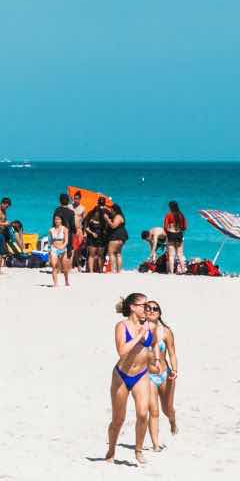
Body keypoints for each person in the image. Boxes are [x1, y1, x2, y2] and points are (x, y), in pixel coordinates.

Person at [106, 293, 158, 465]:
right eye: (144, 306)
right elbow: (122, 351)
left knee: (143, 414)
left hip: (141, 375)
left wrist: (155, 361)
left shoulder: (150, 326)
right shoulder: (121, 326)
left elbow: (153, 346)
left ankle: (138, 450)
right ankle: (111, 450)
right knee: (118, 419)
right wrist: (139, 335)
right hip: (121, 375)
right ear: (133, 308)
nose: (147, 309)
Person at [144, 300, 178, 449]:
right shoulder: (139, 331)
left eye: (155, 309)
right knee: (154, 411)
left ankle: (173, 421)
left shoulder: (166, 332)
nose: (151, 311)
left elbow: (172, 353)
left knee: (167, 409)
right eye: (148, 308)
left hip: (165, 374)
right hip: (148, 376)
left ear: (159, 312)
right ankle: (155, 444)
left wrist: (175, 370)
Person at [52, 193, 77, 276]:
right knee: (69, 252)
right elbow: (73, 225)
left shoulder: (57, 210)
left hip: (58, 233)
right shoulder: (71, 212)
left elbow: (54, 222)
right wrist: (75, 232)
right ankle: (66, 270)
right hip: (68, 233)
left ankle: (58, 269)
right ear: (68, 201)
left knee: (57, 251)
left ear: (60, 201)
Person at [82, 199, 107, 274]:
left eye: (102, 205)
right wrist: (92, 233)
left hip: (100, 236)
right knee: (94, 255)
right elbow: (85, 225)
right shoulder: (92, 212)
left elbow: (110, 224)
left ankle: (98, 271)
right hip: (94, 235)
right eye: (100, 205)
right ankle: (93, 271)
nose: (101, 207)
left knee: (98, 255)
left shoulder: (105, 212)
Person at [104, 198, 128, 274]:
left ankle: (113, 270)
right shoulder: (120, 216)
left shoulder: (118, 216)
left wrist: (107, 219)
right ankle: (119, 271)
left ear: (115, 210)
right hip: (121, 236)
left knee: (111, 253)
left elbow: (113, 226)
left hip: (116, 236)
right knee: (118, 254)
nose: (110, 211)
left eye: (111, 210)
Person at [164, 201, 187, 274]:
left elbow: (165, 226)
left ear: (170, 207)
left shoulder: (168, 215)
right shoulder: (181, 215)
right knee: (180, 254)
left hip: (171, 234)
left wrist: (168, 233)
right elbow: (184, 227)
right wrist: (180, 230)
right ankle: (183, 270)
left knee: (171, 255)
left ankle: (171, 272)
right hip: (179, 234)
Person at [49, 213, 70, 287]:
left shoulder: (65, 229)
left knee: (65, 268)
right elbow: (50, 241)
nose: (56, 221)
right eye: (55, 219)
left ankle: (66, 280)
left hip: (63, 248)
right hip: (54, 249)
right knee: (54, 266)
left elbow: (66, 240)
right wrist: (49, 249)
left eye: (58, 219)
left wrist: (63, 247)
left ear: (61, 220)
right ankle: (55, 283)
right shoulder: (51, 230)